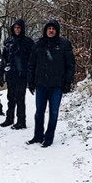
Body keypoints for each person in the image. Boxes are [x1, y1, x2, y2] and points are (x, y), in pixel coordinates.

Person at [26, 20, 75, 148]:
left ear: (57, 30)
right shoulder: (38, 45)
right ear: (45, 30)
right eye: (49, 28)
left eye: (53, 28)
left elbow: (70, 65)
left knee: (53, 113)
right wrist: (30, 81)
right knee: (39, 112)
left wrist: (68, 82)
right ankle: (38, 136)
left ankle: (49, 137)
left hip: (57, 85)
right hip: (41, 84)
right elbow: (31, 64)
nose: (51, 30)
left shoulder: (64, 45)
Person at [0, 18, 34, 129]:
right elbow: (4, 58)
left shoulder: (28, 42)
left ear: (22, 28)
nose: (17, 29)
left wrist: (30, 75)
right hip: (11, 74)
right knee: (10, 97)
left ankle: (21, 121)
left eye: (19, 27)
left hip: (22, 74)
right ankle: (9, 118)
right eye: (15, 27)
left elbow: (32, 60)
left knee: (20, 98)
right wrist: (1, 73)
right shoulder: (8, 41)